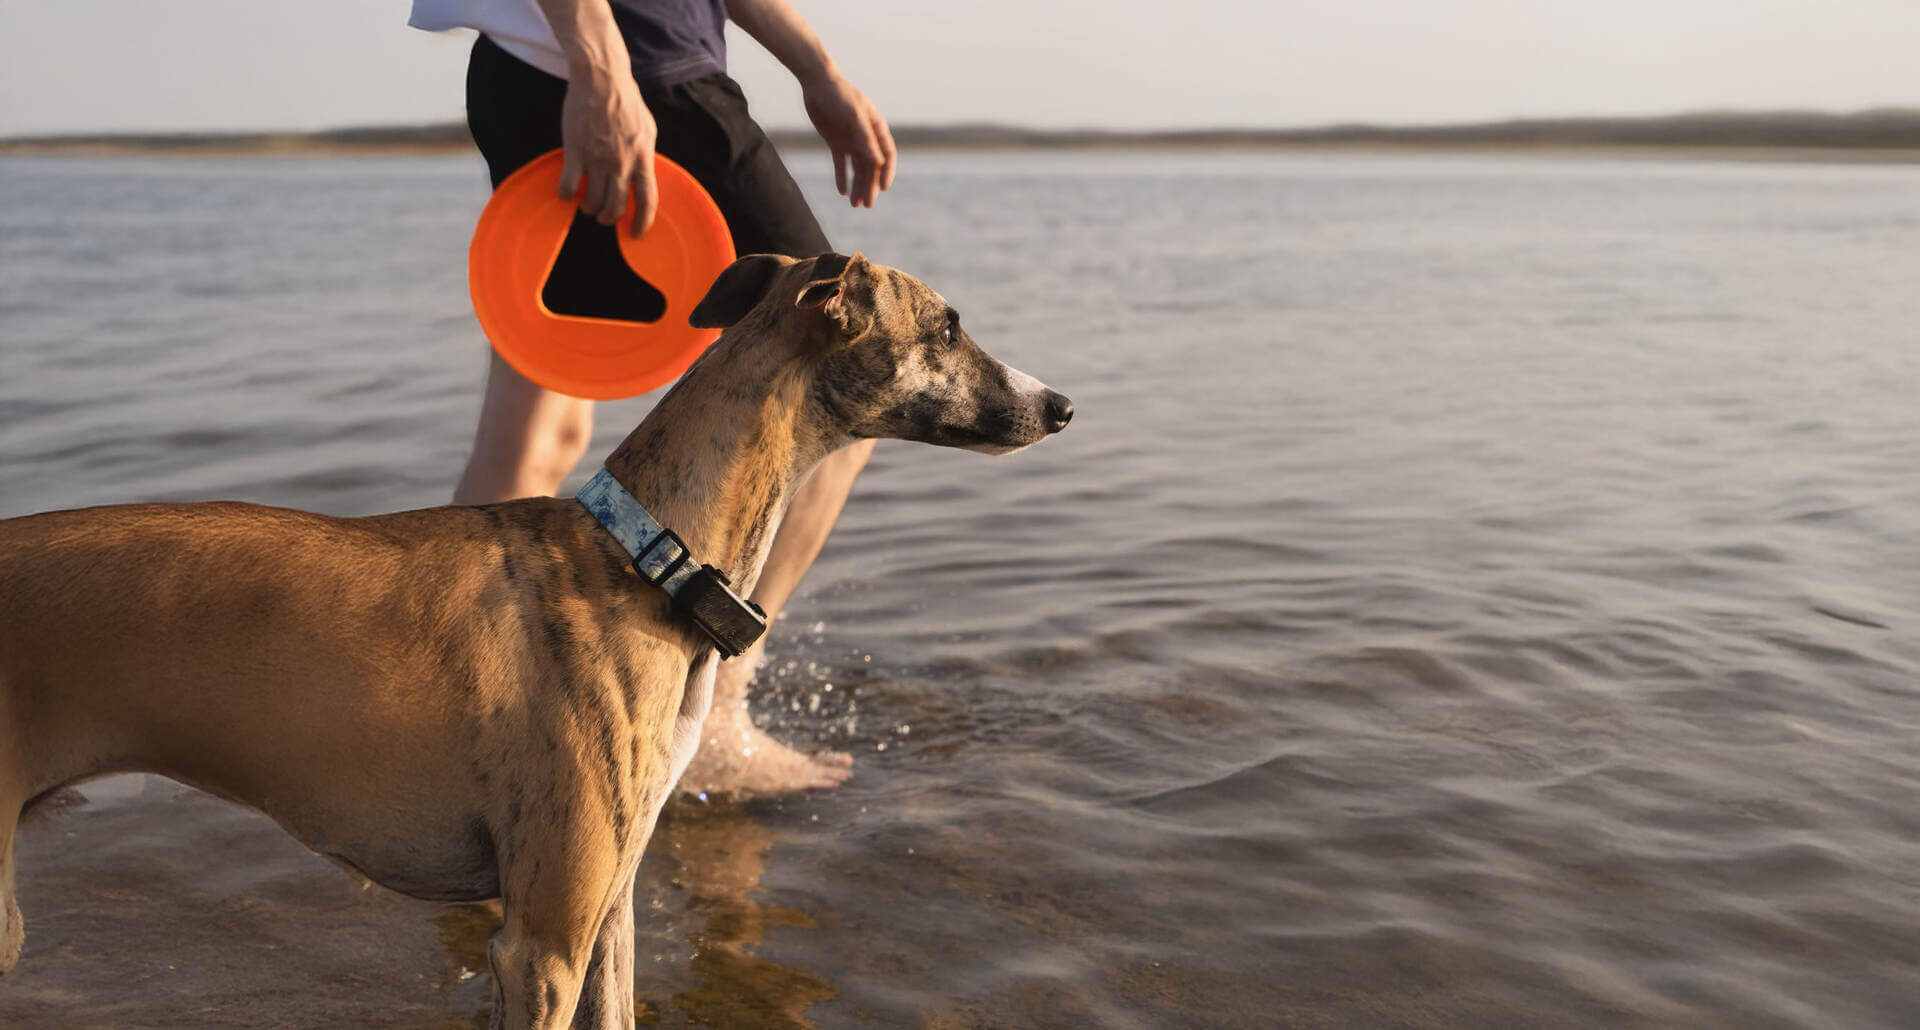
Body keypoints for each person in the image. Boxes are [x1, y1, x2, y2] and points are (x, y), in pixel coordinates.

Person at [409, 0, 898, 796]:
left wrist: (815, 68)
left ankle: (456, 737)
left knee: (542, 426)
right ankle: (710, 715)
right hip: (639, 69)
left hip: (538, 67)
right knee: (847, 373)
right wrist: (603, 67)